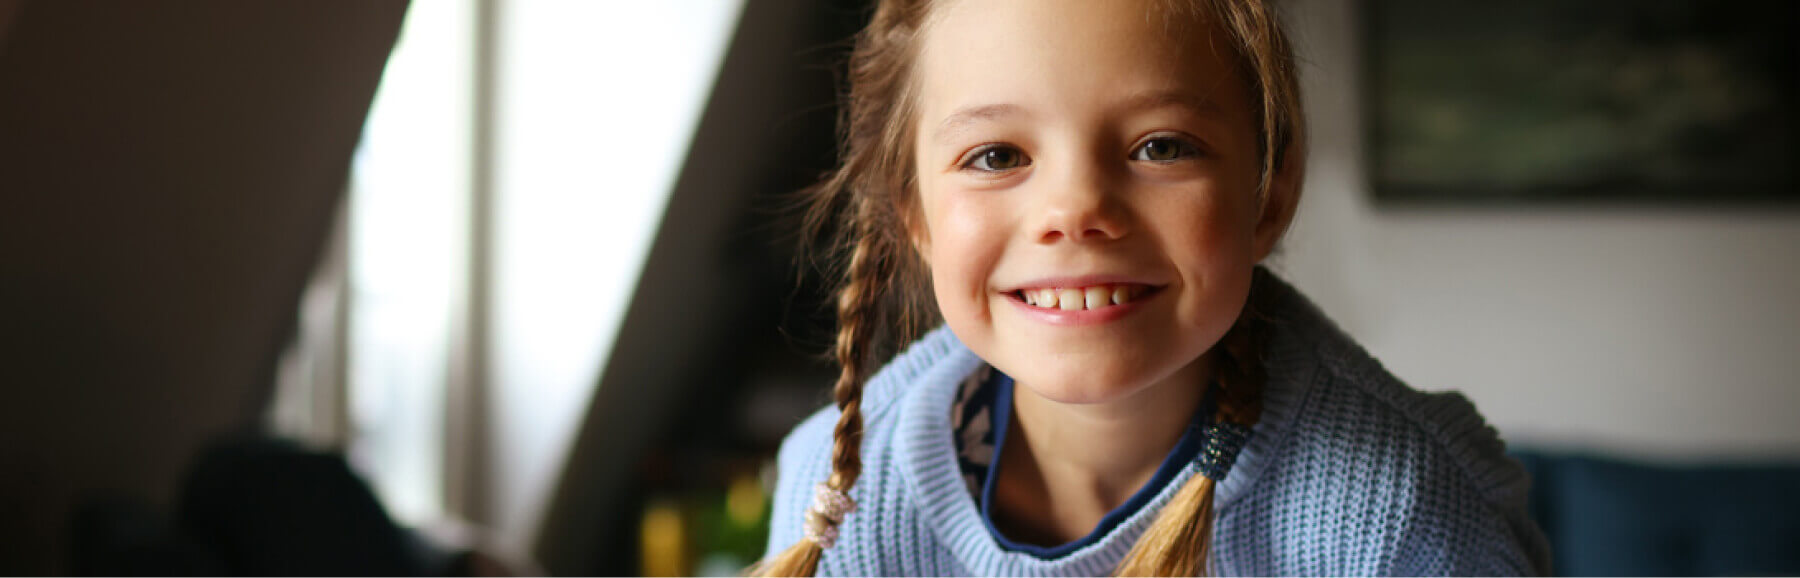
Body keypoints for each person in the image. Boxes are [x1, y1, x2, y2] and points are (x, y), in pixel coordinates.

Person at [757, 0, 1551, 575]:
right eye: (997, 156)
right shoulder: (833, 506)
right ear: (916, 215)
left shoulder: (1403, 517)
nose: (1076, 212)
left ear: (1268, 190)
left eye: (1161, 146)